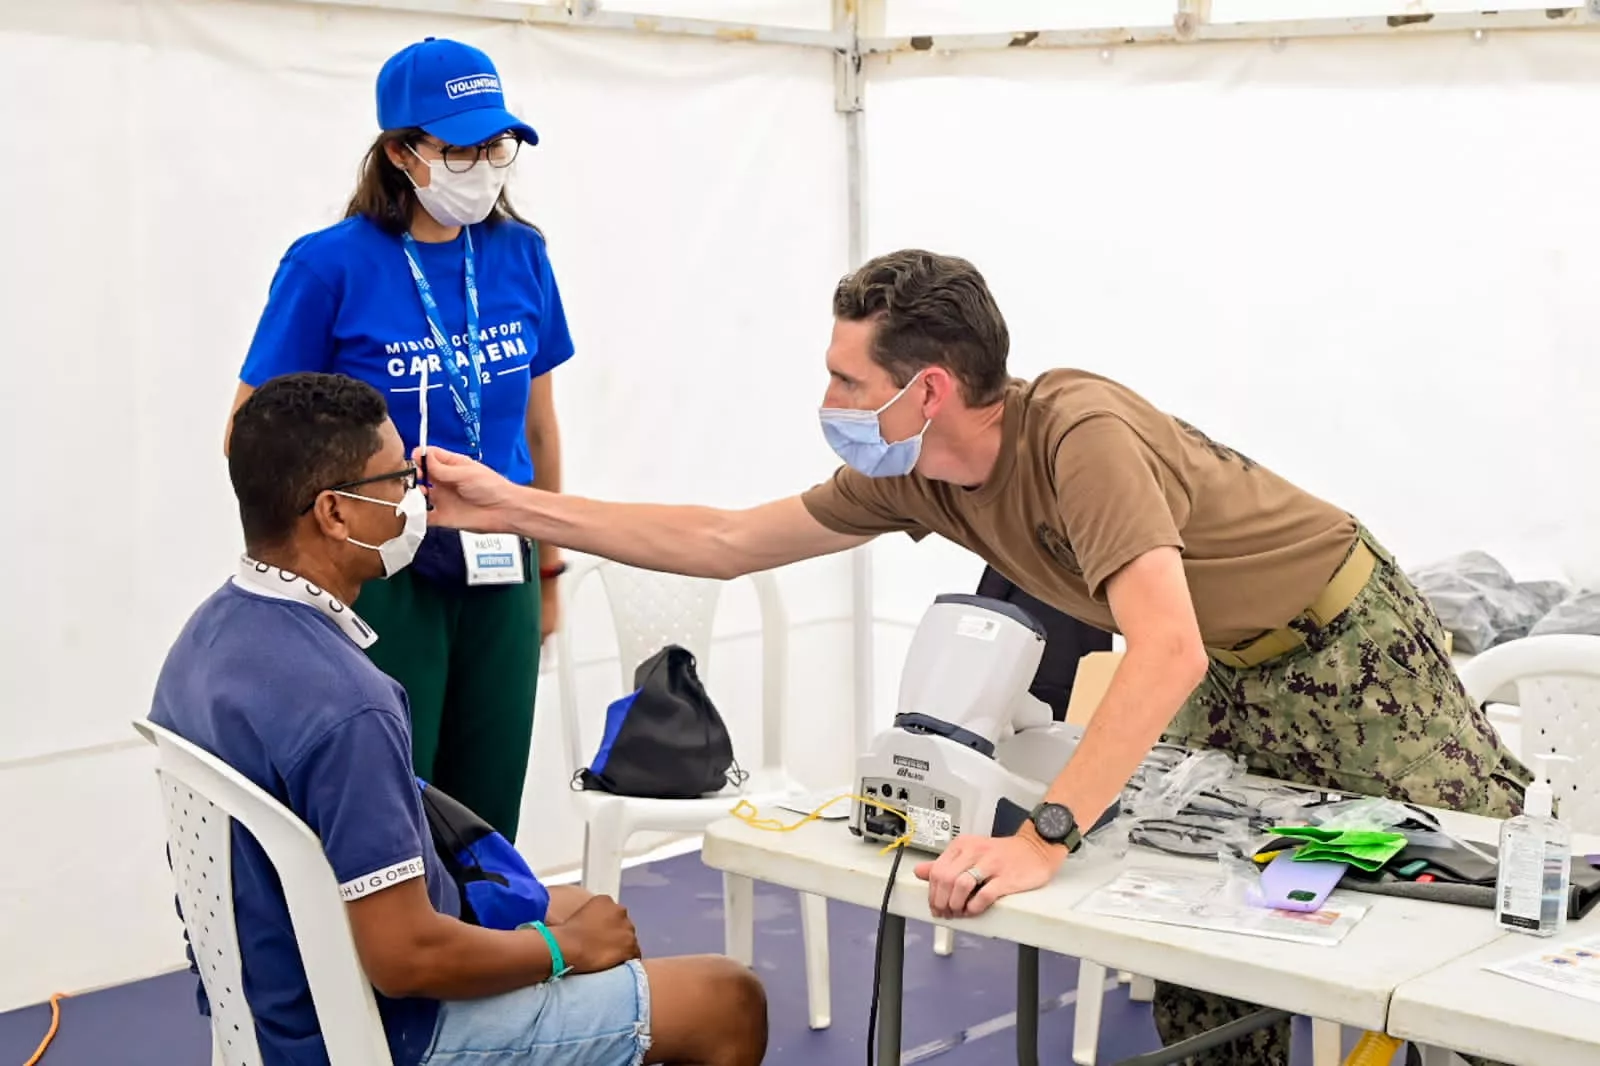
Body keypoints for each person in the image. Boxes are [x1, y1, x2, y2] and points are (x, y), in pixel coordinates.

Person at [410, 248, 1528, 1066]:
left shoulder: (1080, 434)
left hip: (1345, 638)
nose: (829, 404)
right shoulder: (911, 473)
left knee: (1492, 925)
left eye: (847, 381)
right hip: (1233, 673)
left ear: (927, 388)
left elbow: (1164, 645)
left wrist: (1046, 835)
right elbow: (723, 540)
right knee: (1195, 949)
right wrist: (516, 503)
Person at [154, 372, 766, 1066]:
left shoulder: (201, 645)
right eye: (398, 480)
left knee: (568, 903)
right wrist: (565, 951)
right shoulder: (348, 703)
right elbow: (405, 958)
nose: (416, 500)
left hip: (268, 1009)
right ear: (333, 512)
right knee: (726, 997)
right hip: (376, 1032)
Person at [222, 37, 573, 842]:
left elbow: (540, 426)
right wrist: (323, 562)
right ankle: (388, 967)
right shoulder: (327, 266)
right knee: (387, 802)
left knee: (486, 807)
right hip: (382, 567)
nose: (484, 166)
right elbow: (250, 435)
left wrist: (549, 569)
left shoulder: (523, 256)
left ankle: (487, 960)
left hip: (502, 563)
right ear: (401, 152)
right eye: (459, 149)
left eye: (497, 146)